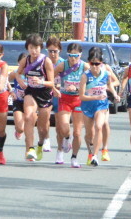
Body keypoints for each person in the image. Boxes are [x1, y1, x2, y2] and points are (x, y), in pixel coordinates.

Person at [79, 46, 120, 167]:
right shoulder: (85, 76)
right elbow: (81, 96)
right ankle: (90, 153)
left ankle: (97, 154)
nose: (95, 66)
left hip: (101, 105)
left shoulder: (106, 72)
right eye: (93, 63)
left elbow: (111, 83)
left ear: (101, 62)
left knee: (99, 126)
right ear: (89, 62)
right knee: (88, 134)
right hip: (87, 105)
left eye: (97, 64)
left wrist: (114, 94)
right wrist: (94, 97)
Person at [18, 34, 54, 162]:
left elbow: (52, 83)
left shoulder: (46, 61)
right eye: (31, 48)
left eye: (37, 48)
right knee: (28, 117)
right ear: (27, 48)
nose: (34, 51)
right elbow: (16, 73)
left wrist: (41, 81)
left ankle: (40, 144)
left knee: (43, 128)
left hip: (44, 93)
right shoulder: (25, 60)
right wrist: (20, 80)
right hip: (31, 92)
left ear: (41, 48)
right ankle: (30, 148)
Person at [53, 41, 88, 167]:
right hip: (65, 99)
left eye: (76, 56)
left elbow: (92, 82)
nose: (73, 59)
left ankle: (74, 157)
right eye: (70, 55)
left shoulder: (85, 67)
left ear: (80, 55)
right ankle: (66, 139)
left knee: (77, 132)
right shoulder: (63, 65)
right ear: (67, 55)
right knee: (63, 126)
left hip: (79, 100)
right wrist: (55, 89)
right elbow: (50, 76)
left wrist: (79, 89)